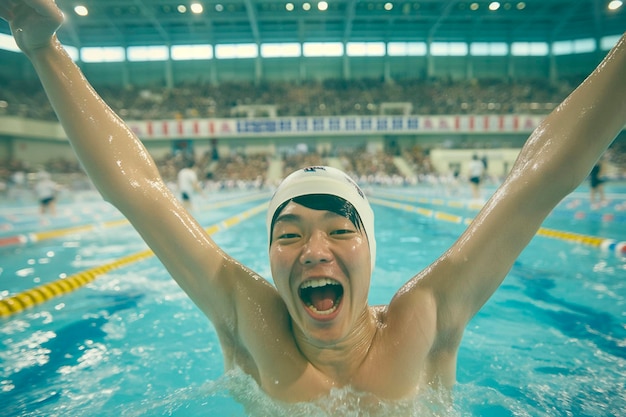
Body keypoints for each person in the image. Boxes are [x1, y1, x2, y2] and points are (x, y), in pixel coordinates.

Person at [1, 0, 624, 412]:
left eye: (337, 230)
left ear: (371, 251)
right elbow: (140, 192)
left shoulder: (423, 321)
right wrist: (42, 48)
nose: (315, 250)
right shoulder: (248, 319)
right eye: (291, 233)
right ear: (270, 253)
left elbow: (538, 181)